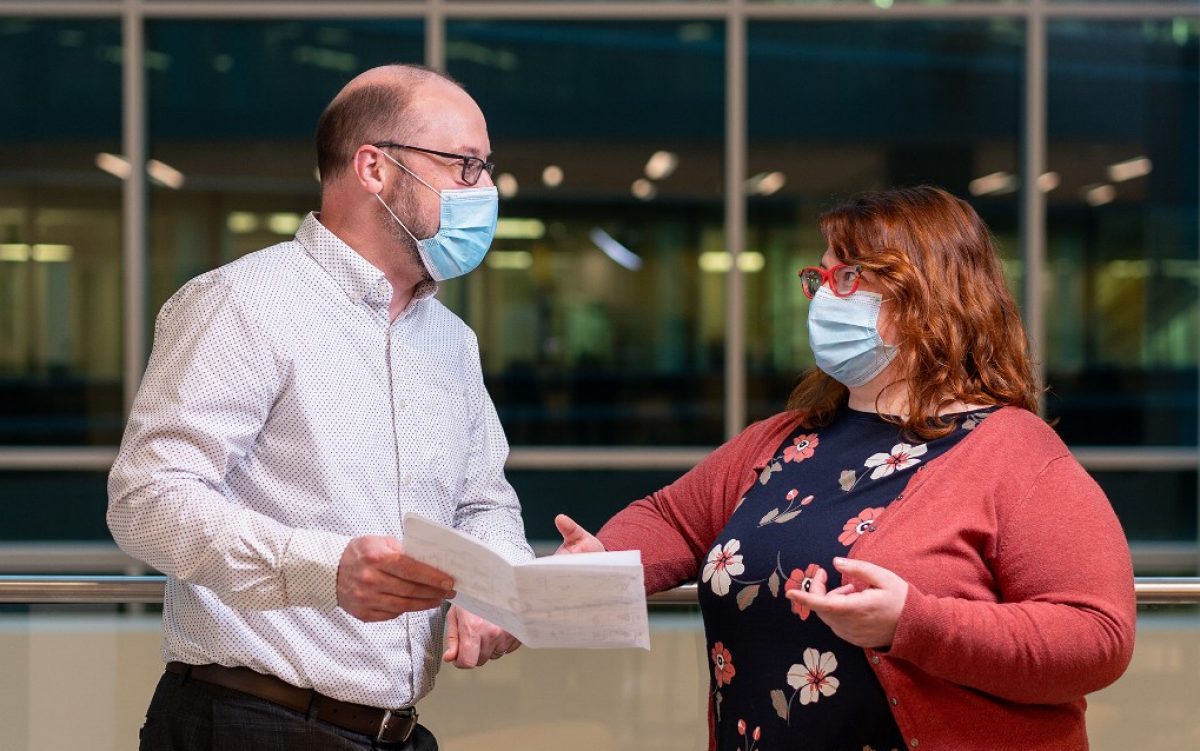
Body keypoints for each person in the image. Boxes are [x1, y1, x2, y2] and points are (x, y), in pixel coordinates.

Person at [557, 186, 1136, 751]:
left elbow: (1097, 636)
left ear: (931, 297)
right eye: (821, 277)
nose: (824, 297)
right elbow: (673, 519)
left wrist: (914, 624)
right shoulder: (785, 439)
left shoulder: (1015, 454)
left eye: (850, 277)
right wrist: (603, 558)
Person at [107, 64, 532, 751]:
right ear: (374, 168)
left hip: (396, 731)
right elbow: (148, 500)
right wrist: (326, 569)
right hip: (247, 723)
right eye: (465, 165)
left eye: (487, 168)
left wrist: (496, 583)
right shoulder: (242, 304)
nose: (485, 190)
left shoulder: (451, 340)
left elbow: (483, 503)